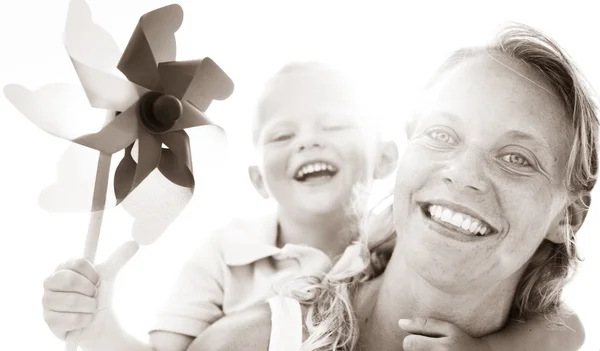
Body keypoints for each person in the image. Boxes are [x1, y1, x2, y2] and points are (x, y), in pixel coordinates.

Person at [187, 23, 598, 351]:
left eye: (516, 158)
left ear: (568, 217)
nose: (463, 173)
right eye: (441, 134)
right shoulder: (246, 343)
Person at [41, 62, 399, 351]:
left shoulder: (400, 247)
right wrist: (99, 329)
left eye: (334, 125)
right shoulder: (224, 253)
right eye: (282, 135)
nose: (308, 141)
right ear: (258, 180)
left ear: (384, 158)